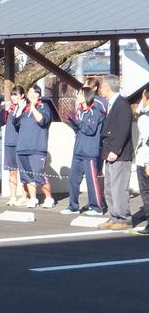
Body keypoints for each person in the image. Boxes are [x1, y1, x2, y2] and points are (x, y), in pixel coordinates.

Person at [63, 87, 106, 216]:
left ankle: (97, 207)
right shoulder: (80, 111)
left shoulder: (95, 111)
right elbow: (79, 130)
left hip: (90, 152)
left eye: (80, 93)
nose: (78, 95)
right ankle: (73, 206)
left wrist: (77, 121)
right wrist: (72, 121)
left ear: (87, 95)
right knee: (73, 180)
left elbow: (90, 129)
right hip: (78, 150)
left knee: (91, 181)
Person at [98, 74, 133, 230]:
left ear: (107, 87)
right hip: (109, 152)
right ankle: (114, 216)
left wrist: (115, 150)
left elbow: (123, 130)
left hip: (119, 154)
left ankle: (124, 219)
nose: (100, 89)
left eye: (102, 86)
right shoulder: (112, 103)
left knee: (119, 187)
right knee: (109, 187)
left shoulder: (122, 104)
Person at [14, 85, 54, 209]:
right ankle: (33, 198)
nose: (31, 94)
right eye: (30, 92)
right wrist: (20, 109)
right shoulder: (24, 109)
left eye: (34, 92)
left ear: (39, 95)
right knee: (27, 176)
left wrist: (33, 106)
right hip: (22, 147)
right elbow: (15, 123)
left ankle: (49, 198)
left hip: (37, 148)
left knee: (39, 174)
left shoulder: (44, 107)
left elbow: (42, 121)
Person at [1, 86, 27, 206]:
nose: (14, 97)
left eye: (16, 94)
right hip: (9, 142)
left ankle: (24, 196)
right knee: (12, 171)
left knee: (23, 171)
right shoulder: (10, 108)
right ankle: (12, 197)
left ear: (22, 95)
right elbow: (1, 121)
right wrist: (4, 110)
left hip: (21, 143)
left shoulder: (25, 108)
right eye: (12, 95)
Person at [133, 87, 149, 235]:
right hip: (143, 157)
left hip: (146, 158)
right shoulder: (143, 112)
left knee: (146, 191)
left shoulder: (146, 116)